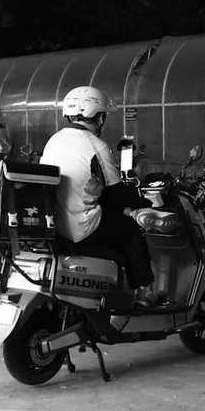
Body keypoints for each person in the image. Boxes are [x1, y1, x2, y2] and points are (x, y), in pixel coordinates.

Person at [40, 86, 160, 307]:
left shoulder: (53, 141)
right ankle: (143, 290)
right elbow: (116, 193)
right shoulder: (95, 144)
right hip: (84, 228)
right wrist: (143, 202)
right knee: (132, 230)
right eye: (104, 116)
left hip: (58, 226)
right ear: (98, 116)